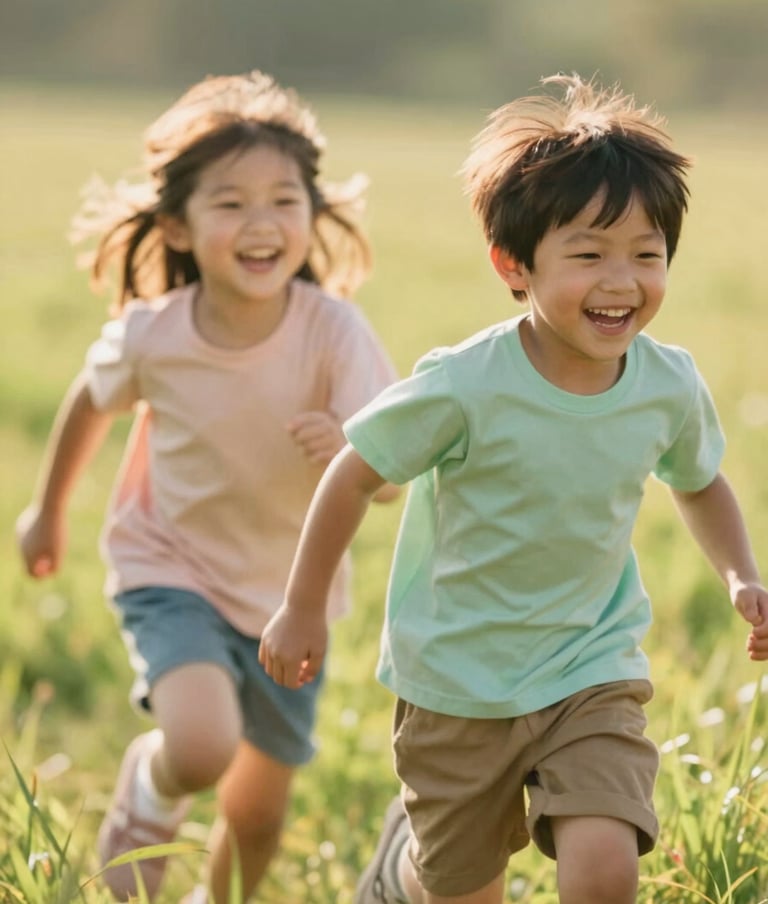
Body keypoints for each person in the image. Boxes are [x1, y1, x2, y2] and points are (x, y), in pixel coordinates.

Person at [258, 73, 768, 904]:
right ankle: (405, 869)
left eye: (647, 255)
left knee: (605, 868)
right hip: (457, 678)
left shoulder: (666, 384)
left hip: (589, 664)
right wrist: (304, 604)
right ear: (514, 264)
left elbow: (700, 480)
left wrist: (742, 574)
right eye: (590, 254)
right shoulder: (464, 386)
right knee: (462, 887)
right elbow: (353, 473)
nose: (622, 281)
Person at [16, 70, 399, 904]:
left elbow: (392, 479)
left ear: (312, 212)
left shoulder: (335, 332)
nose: (260, 224)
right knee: (199, 746)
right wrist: (48, 511)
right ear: (178, 225)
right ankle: (148, 797)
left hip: (291, 603)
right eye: (230, 203)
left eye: (283, 201)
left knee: (258, 813)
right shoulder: (156, 333)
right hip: (172, 570)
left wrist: (349, 446)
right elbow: (90, 398)